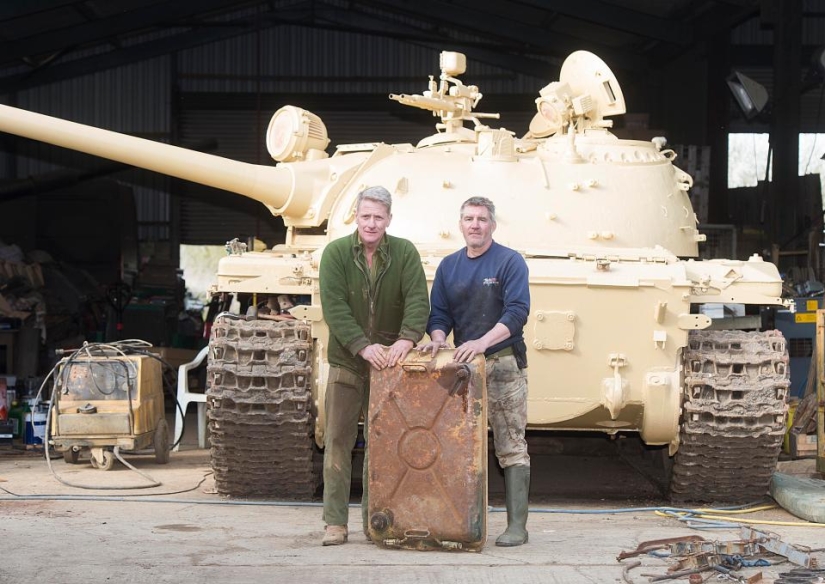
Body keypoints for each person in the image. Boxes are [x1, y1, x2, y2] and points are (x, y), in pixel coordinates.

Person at [318, 185, 429, 546]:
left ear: (389, 220)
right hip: (347, 363)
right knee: (337, 441)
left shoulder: (404, 252)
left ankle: (375, 520)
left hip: (390, 367)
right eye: (365, 216)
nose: (371, 223)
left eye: (378, 217)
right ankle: (335, 522)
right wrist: (362, 347)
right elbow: (334, 307)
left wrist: (406, 339)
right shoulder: (335, 253)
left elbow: (417, 299)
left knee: (384, 445)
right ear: (356, 216)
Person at [421, 195, 531, 547]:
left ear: (492, 225)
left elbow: (516, 313)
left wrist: (482, 342)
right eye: (469, 218)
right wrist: (438, 338)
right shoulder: (449, 267)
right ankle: (456, 520)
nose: (475, 225)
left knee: (510, 444)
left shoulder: (509, 262)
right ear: (460, 225)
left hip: (502, 364)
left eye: (482, 219)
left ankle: (518, 527)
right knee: (454, 445)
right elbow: (438, 315)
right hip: (462, 368)